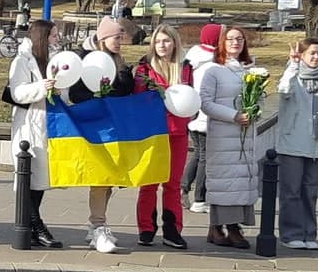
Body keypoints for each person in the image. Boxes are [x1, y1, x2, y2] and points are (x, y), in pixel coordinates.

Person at [69, 16, 134, 254]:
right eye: (116, 37)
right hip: (95, 128)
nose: (120, 41)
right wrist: (99, 96)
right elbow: (77, 93)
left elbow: (126, 89)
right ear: (103, 38)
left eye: (121, 37)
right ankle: (98, 226)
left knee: (109, 181)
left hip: (115, 127)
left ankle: (96, 223)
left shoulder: (119, 61)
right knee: (100, 177)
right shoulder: (88, 60)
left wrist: (124, 77)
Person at [133, 24, 192, 249]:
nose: (162, 45)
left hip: (178, 132)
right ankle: (146, 228)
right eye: (158, 41)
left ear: (174, 43)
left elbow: (191, 100)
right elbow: (138, 101)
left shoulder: (185, 68)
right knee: (149, 183)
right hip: (153, 133)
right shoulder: (144, 68)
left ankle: (172, 230)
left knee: (172, 184)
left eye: (166, 41)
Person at [199, 26, 258, 248]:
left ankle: (232, 226)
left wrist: (253, 111)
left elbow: (258, 98)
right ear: (222, 43)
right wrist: (233, 116)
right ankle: (224, 227)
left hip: (244, 135)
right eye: (231, 39)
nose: (235, 43)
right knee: (226, 182)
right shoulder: (213, 70)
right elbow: (205, 103)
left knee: (242, 181)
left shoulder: (249, 69)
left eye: (240, 39)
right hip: (224, 135)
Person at [9, 19, 63, 248]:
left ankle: (33, 227)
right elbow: (17, 92)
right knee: (27, 178)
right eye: (53, 35)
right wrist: (43, 87)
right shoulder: (22, 60)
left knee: (40, 179)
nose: (57, 39)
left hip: (48, 124)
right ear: (42, 37)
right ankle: (37, 226)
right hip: (28, 125)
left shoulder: (53, 60)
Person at [276, 38, 318, 250]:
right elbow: (282, 91)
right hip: (292, 144)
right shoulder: (293, 76)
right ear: (303, 55)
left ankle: (309, 233)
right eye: (312, 53)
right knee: (291, 191)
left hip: (316, 145)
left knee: (310, 191)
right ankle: (290, 234)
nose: (316, 57)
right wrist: (293, 64)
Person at [183, 24, 222, 213]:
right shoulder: (213, 63)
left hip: (193, 112)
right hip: (206, 115)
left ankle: (183, 188)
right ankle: (199, 199)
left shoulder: (193, 57)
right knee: (205, 157)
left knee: (199, 154)